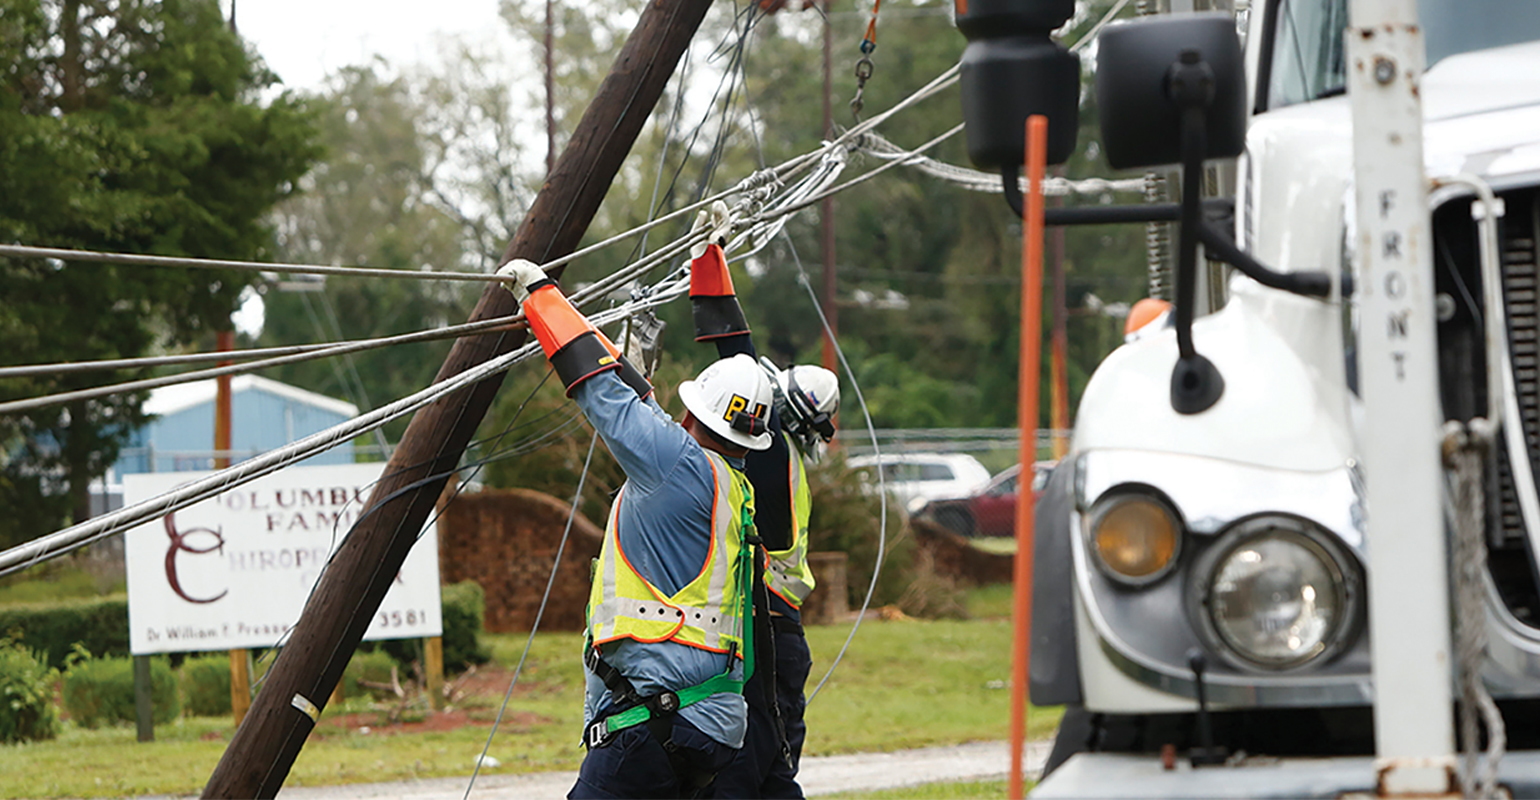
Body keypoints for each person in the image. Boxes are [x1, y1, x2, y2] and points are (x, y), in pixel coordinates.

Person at [497, 256, 776, 799]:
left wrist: (540, 296)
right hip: (709, 722)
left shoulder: (679, 462)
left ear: (694, 415)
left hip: (654, 718)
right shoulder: (735, 486)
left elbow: (607, 396)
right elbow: (642, 403)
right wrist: (571, 316)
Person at [687, 202, 841, 799]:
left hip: (768, 633)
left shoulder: (772, 451)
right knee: (765, 771)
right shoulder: (787, 460)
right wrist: (708, 258)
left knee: (750, 775)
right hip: (773, 633)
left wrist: (708, 256)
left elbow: (737, 352)